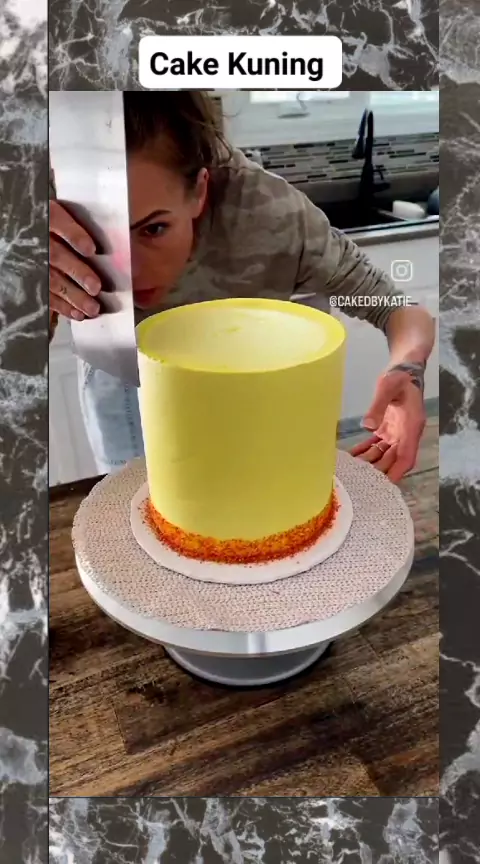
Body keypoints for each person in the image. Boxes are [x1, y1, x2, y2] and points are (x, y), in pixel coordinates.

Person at [49, 91, 435, 483]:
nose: (129, 272)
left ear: (199, 192)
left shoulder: (270, 214)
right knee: (128, 506)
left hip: (253, 389)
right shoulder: (49, 191)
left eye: (154, 229)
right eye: (99, 238)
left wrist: (408, 370)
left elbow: (394, 308)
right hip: (123, 379)